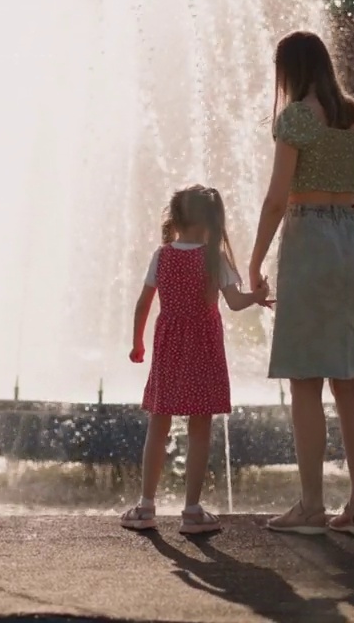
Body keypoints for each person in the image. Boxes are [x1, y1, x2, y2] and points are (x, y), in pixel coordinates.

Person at [248, 31, 354, 537]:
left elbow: (277, 199)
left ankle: (310, 506)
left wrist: (257, 263)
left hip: (310, 242)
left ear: (290, 70)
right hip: (353, 242)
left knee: (305, 379)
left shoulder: (297, 117)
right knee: (349, 380)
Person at [121, 184, 270, 535]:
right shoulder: (214, 258)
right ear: (213, 221)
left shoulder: (163, 256)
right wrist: (258, 296)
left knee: (158, 423)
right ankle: (191, 510)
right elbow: (234, 303)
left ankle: (145, 506)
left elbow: (144, 303)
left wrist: (137, 343)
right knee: (199, 427)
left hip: (169, 345)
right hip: (204, 347)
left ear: (175, 217)